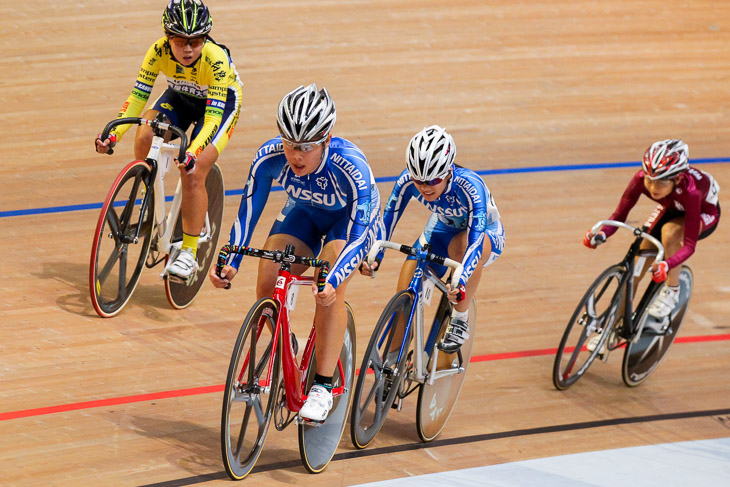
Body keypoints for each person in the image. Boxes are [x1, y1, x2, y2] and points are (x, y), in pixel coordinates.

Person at [209, 83, 383, 423]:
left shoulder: (352, 168)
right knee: (268, 278)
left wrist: (333, 279)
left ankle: (321, 385)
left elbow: (358, 235)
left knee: (328, 291)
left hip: (347, 225)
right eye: (289, 143)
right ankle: (284, 342)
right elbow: (248, 212)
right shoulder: (269, 158)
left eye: (305, 146)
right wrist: (230, 261)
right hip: (303, 213)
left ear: (326, 140)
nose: (296, 155)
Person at [95, 0, 243, 281]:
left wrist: (192, 152)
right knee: (146, 131)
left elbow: (211, 120)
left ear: (205, 38)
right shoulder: (157, 52)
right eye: (179, 40)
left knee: (193, 169)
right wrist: (113, 134)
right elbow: (138, 98)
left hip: (218, 107)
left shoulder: (216, 59)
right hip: (181, 98)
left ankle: (188, 252)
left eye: (196, 41)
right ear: (167, 37)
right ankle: (151, 196)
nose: (188, 49)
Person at [361, 125, 505, 353]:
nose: (425, 187)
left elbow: (475, 242)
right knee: (407, 282)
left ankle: (459, 319)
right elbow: (387, 219)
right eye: (419, 181)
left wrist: (461, 280)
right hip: (441, 229)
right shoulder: (407, 181)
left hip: (483, 234)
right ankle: (393, 362)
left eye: (433, 181)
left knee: (462, 247)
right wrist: (375, 255)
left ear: (448, 172)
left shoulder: (470, 186)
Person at [584, 139, 720, 322]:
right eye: (650, 180)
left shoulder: (691, 191)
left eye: (662, 183)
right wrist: (602, 234)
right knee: (633, 273)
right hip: (671, 207)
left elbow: (689, 245)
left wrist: (668, 264)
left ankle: (672, 289)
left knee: (670, 232)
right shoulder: (640, 179)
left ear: (677, 179)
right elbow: (619, 214)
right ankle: (612, 329)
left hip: (702, 213)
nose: (654, 188)